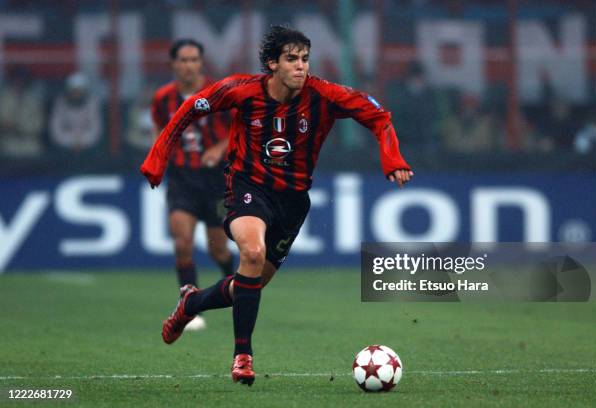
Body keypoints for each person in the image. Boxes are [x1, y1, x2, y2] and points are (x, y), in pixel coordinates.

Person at [141, 25, 413, 386]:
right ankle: (243, 356)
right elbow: (191, 107)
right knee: (251, 254)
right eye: (291, 59)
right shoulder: (242, 90)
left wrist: (392, 159)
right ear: (272, 63)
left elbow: (379, 116)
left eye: (304, 59)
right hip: (247, 187)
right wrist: (157, 158)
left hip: (293, 201)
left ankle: (190, 304)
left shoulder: (325, 95)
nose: (300, 67)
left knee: (248, 283)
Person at [150, 38, 235, 331]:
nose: (189, 65)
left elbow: (241, 128)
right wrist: (157, 160)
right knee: (182, 242)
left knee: (219, 250)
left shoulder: (220, 93)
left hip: (216, 180)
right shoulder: (162, 98)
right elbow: (160, 131)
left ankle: (239, 288)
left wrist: (220, 148)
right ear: (173, 64)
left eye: (194, 59)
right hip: (182, 179)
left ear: (201, 62)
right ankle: (189, 310)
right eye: (183, 60)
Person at [49, 72, 102, 152]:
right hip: (63, 147)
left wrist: (81, 141)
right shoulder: (61, 102)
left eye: (79, 91)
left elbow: (95, 130)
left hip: (88, 147)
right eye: (74, 91)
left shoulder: (92, 103)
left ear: (85, 92)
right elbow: (56, 130)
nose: (76, 94)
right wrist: (72, 141)